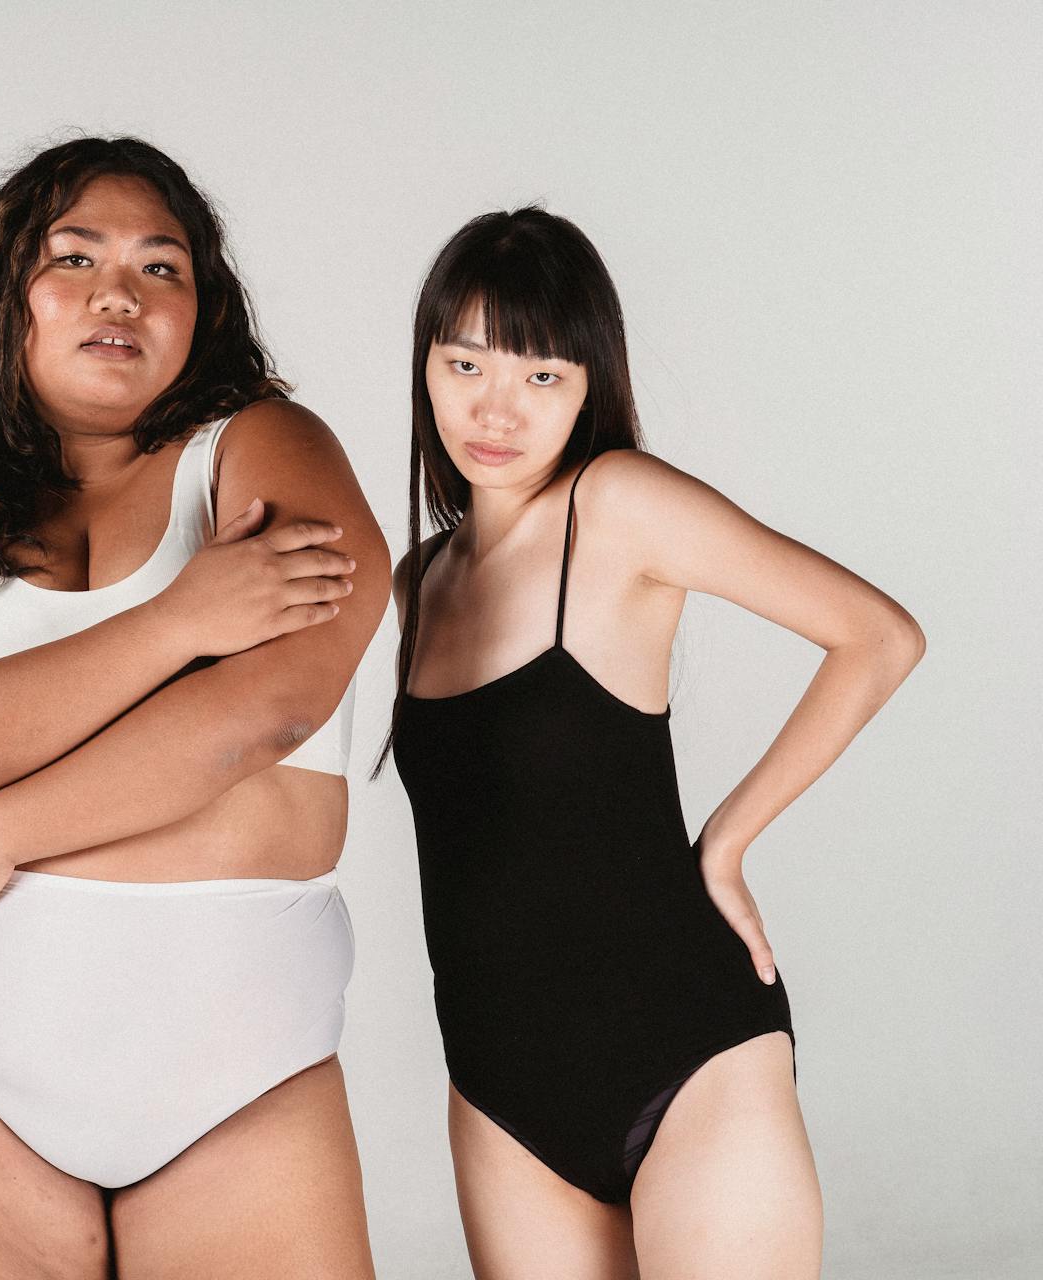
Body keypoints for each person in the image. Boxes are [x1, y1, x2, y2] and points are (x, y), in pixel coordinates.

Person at [0, 136, 389, 1277]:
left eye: (161, 266)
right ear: (7, 300)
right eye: (72, 258)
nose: (118, 292)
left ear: (202, 309)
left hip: (244, 1076)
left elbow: (271, 705)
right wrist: (183, 620)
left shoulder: (265, 448)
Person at [387, 207, 925, 1279]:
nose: (496, 407)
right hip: (501, 1087)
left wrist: (726, 839)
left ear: (591, 385)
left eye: (542, 375)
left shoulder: (618, 505)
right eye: (466, 363)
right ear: (427, 370)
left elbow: (879, 636)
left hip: (689, 1050)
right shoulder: (420, 582)